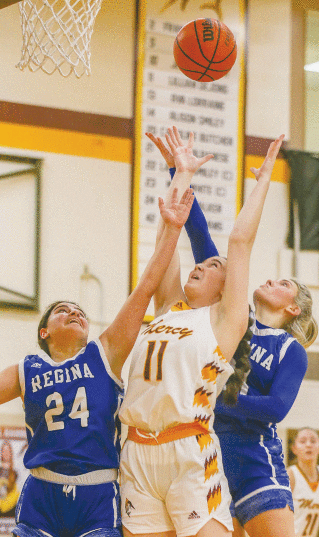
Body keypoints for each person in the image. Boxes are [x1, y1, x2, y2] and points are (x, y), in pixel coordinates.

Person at [146, 130, 318, 537]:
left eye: (282, 284)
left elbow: (276, 408)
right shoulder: (231, 316)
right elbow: (203, 239)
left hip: (255, 457)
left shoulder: (289, 349)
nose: (271, 281)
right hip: (208, 453)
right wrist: (178, 170)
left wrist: (216, 397)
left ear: (292, 308)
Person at [0, 185, 194, 537]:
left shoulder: (104, 354)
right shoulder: (27, 369)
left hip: (98, 492)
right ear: (44, 332)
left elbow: (146, 287)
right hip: (42, 492)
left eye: (80, 312)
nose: (74, 312)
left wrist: (172, 229)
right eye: (63, 311)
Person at [119, 126, 285, 537]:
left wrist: (264, 180)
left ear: (227, 290)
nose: (202, 265)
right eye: (203, 262)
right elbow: (167, 239)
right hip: (137, 450)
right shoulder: (168, 306)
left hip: (189, 451)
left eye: (214, 267)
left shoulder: (224, 322)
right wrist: (182, 174)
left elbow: (240, 240)